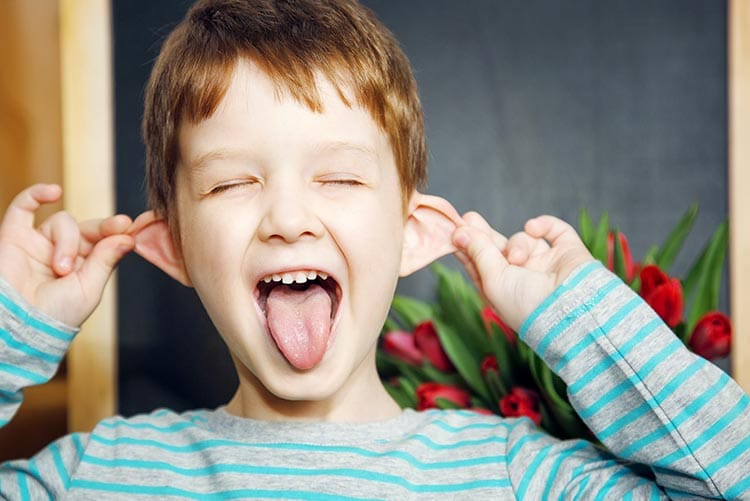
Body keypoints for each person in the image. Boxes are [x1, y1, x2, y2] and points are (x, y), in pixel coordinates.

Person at [0, 0, 748, 498]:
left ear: (413, 233)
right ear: (173, 248)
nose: (288, 217)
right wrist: (9, 334)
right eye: (232, 184)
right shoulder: (99, 475)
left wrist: (584, 321)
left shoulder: (514, 474)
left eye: (339, 176)